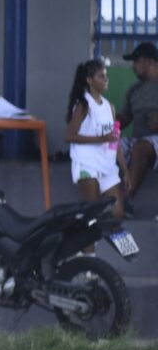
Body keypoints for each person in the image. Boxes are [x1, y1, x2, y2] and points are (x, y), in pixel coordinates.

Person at [65, 59, 128, 235]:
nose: (106, 79)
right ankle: (88, 259)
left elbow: (115, 141)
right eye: (101, 76)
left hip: (107, 167)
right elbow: (69, 136)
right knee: (91, 216)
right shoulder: (83, 105)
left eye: (106, 76)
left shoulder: (110, 107)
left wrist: (125, 170)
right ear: (89, 80)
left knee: (117, 213)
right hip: (87, 165)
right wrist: (101, 138)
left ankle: (96, 258)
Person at [118, 42, 158, 217]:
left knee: (140, 147)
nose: (133, 66)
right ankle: (101, 202)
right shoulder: (133, 90)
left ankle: (125, 202)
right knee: (106, 147)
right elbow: (125, 119)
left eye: (136, 61)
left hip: (151, 142)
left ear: (149, 62)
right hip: (138, 140)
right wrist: (106, 120)